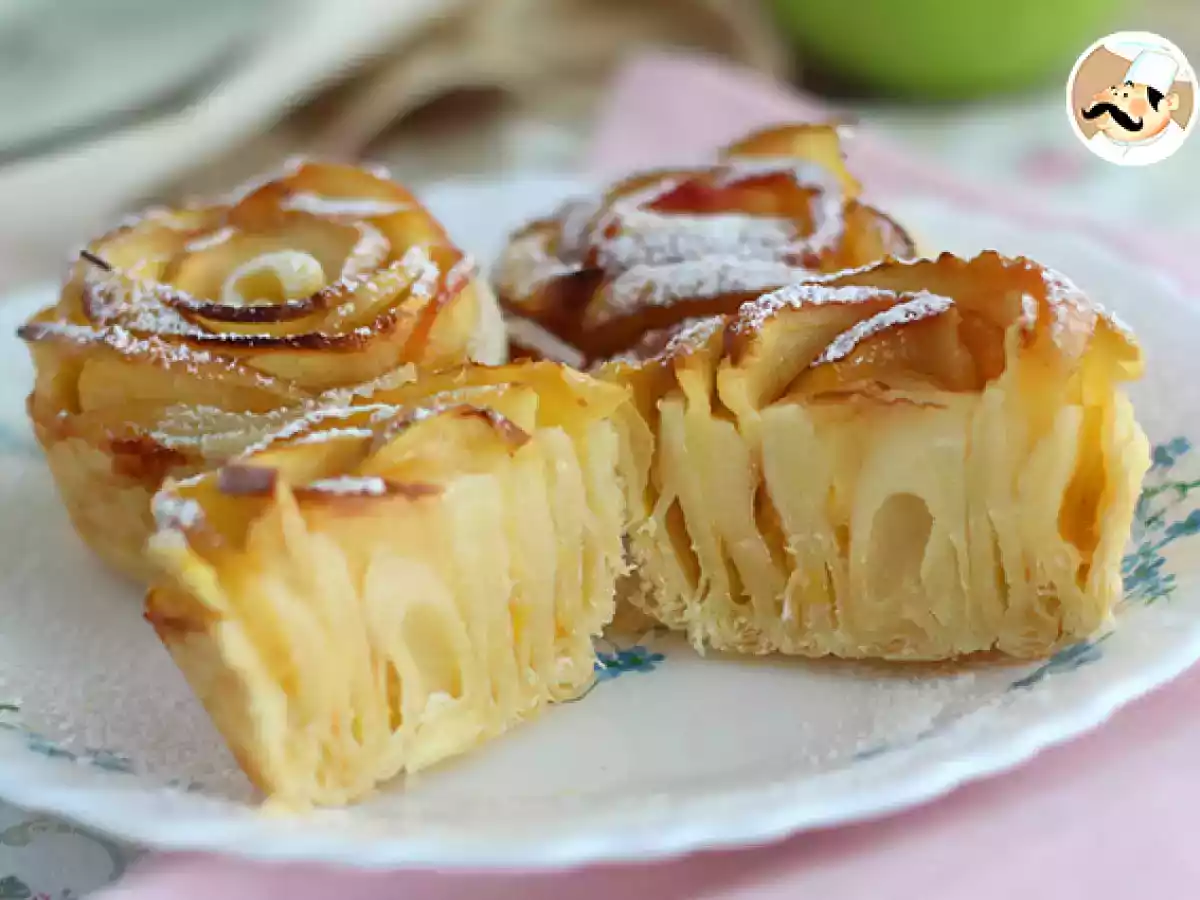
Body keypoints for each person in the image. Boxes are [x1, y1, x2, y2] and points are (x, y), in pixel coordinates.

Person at [1081, 47, 1190, 165]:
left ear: (1170, 103)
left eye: (1126, 96)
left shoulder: (1174, 143)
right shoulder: (1101, 141)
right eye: (1115, 93)